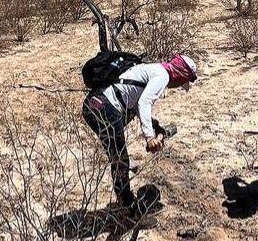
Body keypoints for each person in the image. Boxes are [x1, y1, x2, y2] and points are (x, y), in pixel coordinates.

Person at [82, 54, 197, 215]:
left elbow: (135, 99)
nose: (178, 86)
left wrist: (154, 126)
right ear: (181, 75)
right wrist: (150, 137)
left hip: (96, 104)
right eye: (181, 82)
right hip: (104, 108)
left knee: (119, 157)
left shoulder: (154, 68)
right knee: (120, 160)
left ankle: (125, 203)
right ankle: (127, 209)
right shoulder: (163, 76)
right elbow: (144, 102)